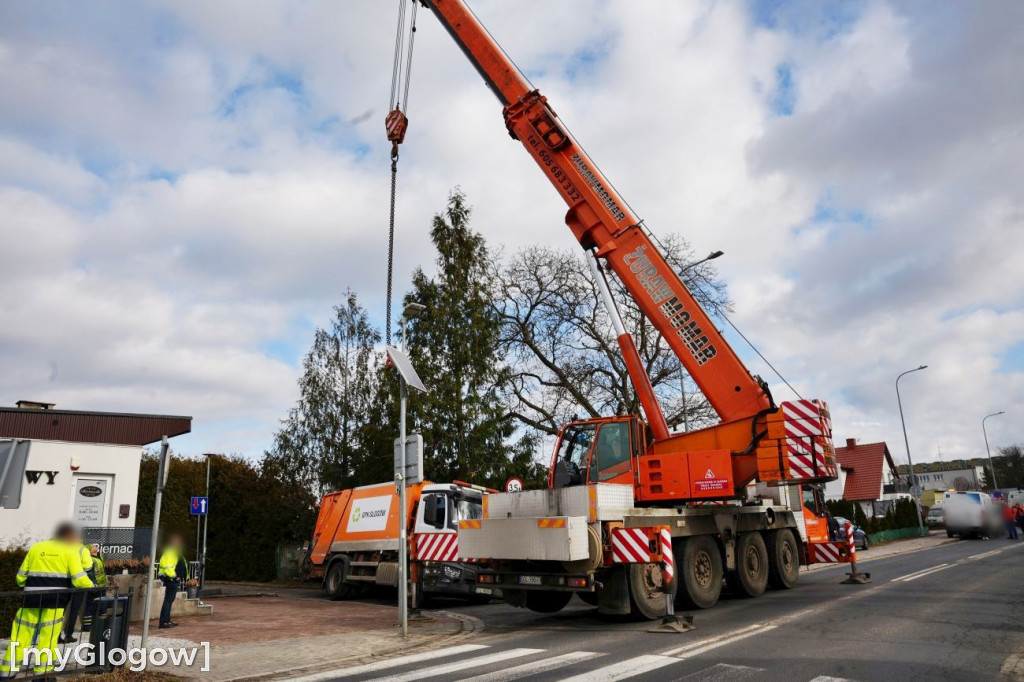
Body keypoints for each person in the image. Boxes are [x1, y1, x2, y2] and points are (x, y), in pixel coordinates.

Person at [1, 523, 94, 677]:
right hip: (55, 601)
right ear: (68, 536)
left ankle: (7, 673)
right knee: (48, 638)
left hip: (30, 599)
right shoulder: (70, 550)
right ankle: (41, 674)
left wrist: (32, 585)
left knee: (19, 637)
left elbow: (20, 577)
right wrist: (93, 586)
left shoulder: (36, 548)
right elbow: (79, 578)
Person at [60, 540, 94, 643]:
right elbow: (88, 566)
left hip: (63, 581)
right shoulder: (82, 549)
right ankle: (68, 634)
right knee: (74, 610)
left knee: (61, 609)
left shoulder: (63, 547)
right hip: (78, 582)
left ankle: (56, 635)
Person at [157, 534, 187, 629]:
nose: (180, 543)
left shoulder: (174, 551)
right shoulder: (171, 551)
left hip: (172, 579)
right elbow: (168, 567)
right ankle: (164, 622)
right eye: (178, 541)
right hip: (171, 579)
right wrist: (174, 577)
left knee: (169, 600)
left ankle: (166, 620)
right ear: (174, 542)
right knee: (168, 600)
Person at [81, 544, 108, 632]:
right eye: (93, 546)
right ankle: (87, 626)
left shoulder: (100, 556)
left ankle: (102, 624)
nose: (95, 547)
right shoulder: (90, 559)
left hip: (102, 585)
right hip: (94, 585)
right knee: (90, 605)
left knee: (103, 605)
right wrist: (93, 584)